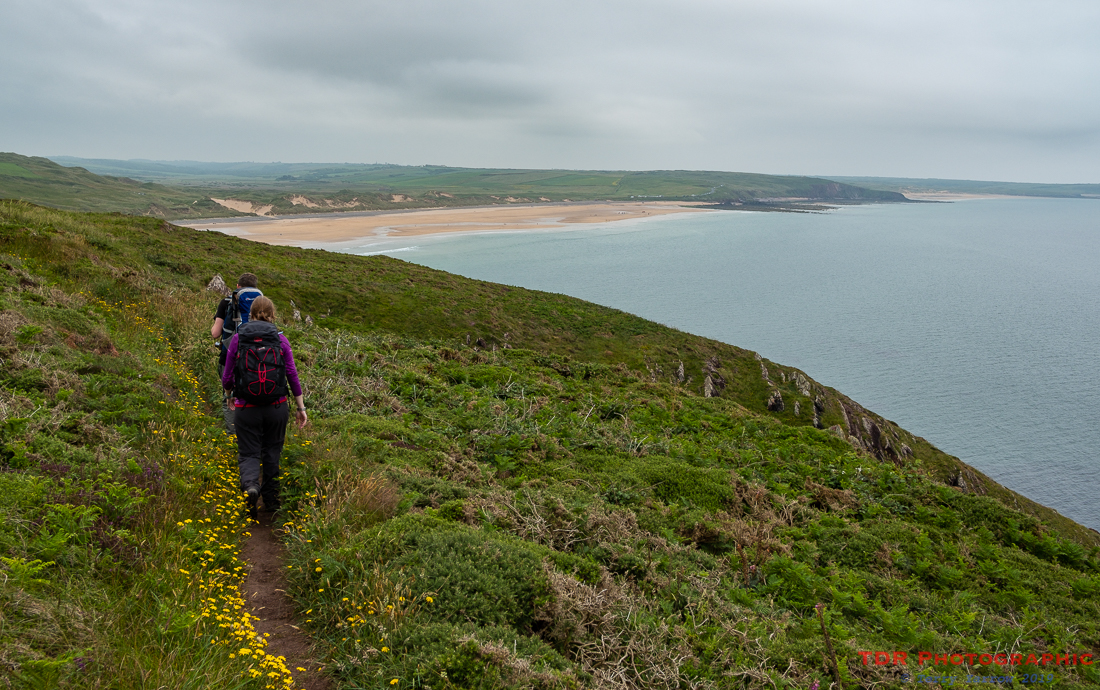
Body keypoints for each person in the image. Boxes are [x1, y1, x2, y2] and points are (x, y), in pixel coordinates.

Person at [221, 296, 307, 517]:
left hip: (246, 406)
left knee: (249, 452)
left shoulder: (238, 339)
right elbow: (292, 376)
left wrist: (229, 394)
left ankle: (250, 486)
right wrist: (301, 408)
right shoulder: (281, 341)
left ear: (250, 313)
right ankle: (271, 501)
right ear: (273, 314)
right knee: (272, 451)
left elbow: (227, 375)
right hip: (276, 406)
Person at [211, 273, 263, 433]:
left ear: (238, 286)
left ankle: (233, 436)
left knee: (229, 395)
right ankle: (253, 433)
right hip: (256, 357)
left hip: (229, 357)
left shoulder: (226, 302)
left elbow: (215, 333)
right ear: (255, 287)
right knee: (253, 394)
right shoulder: (262, 303)